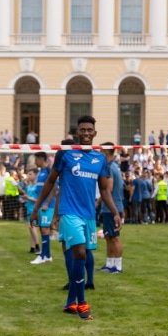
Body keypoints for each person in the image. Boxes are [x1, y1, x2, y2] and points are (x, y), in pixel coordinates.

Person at [32, 116, 120, 321]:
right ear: (77, 133)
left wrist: (116, 213)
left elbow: (105, 191)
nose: (87, 133)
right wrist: (36, 208)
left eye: (90, 130)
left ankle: (71, 301)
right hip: (69, 213)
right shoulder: (65, 154)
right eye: (83, 130)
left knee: (80, 256)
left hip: (89, 215)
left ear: (95, 133)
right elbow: (50, 182)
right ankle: (82, 303)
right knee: (79, 252)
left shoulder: (100, 159)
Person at [99, 143, 125, 273]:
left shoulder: (109, 167)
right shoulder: (113, 166)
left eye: (100, 151)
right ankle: (110, 264)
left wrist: (98, 201)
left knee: (115, 237)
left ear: (106, 153)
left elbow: (108, 188)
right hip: (112, 206)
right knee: (108, 236)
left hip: (111, 207)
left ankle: (118, 266)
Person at [30, 152, 55, 264]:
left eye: (36, 159)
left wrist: (47, 203)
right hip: (41, 205)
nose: (35, 162)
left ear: (41, 159)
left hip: (47, 206)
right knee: (42, 229)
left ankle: (43, 256)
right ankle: (48, 256)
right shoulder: (40, 172)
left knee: (45, 229)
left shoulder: (49, 171)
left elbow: (54, 188)